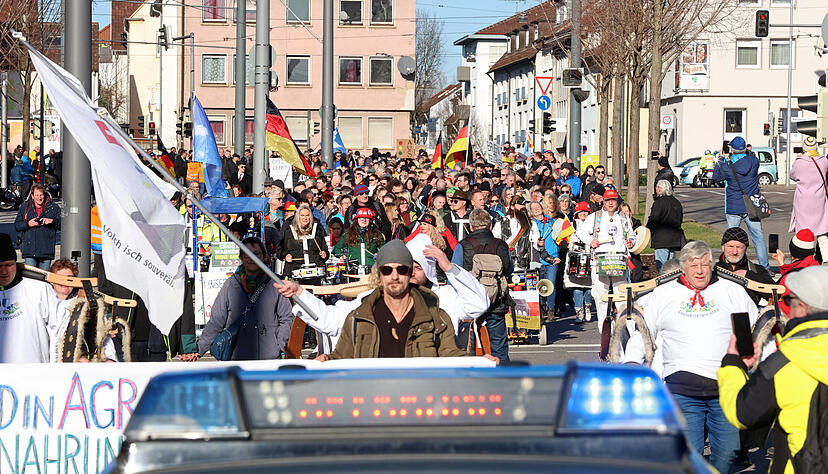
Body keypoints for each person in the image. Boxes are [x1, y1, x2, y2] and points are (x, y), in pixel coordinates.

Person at [634, 241, 758, 473]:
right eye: (694, 265)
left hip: (725, 388)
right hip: (682, 387)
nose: (700, 270)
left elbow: (754, 330)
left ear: (712, 265)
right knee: (689, 452)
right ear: (683, 268)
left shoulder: (732, 291)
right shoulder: (663, 294)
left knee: (730, 449)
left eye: (705, 264)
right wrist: (631, 362)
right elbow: (642, 333)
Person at [275, 235, 491, 355]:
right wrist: (299, 293)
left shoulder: (443, 301)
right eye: (390, 270)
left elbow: (478, 304)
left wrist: (450, 268)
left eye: (416, 268)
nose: (403, 275)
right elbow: (330, 320)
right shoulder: (370, 301)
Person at [718, 265, 828, 474]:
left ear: (802, 308)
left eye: (788, 300)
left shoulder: (783, 363)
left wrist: (733, 364)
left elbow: (742, 413)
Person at [319, 240, 469, 360]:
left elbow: (452, 356)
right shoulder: (358, 317)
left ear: (410, 273)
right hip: (375, 395)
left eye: (402, 269)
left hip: (419, 394)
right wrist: (325, 360)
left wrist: (482, 362)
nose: (395, 276)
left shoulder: (436, 317)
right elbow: (341, 358)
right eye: (387, 270)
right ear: (379, 275)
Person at [197, 237, 294, 360]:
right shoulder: (231, 284)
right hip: (237, 358)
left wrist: (280, 346)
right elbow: (216, 321)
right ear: (241, 257)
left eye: (256, 254)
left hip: (269, 359)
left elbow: (286, 318)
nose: (251, 258)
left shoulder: (276, 284)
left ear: (264, 257)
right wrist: (199, 349)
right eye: (247, 254)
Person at [452, 209, 513, 363]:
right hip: (496, 302)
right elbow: (509, 268)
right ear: (490, 225)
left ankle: (473, 383)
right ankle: (504, 381)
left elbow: (454, 273)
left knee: (470, 347)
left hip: (471, 304)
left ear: (471, 226)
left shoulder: (463, 246)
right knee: (499, 348)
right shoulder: (501, 245)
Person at [574, 188, 634, 336]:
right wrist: (591, 240)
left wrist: (631, 242)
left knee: (622, 298)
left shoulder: (623, 218)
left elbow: (632, 235)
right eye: (608, 200)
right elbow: (580, 232)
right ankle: (604, 333)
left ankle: (624, 331)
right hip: (600, 261)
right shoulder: (595, 217)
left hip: (619, 260)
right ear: (604, 202)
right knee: (601, 297)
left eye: (614, 200)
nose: (611, 203)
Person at [0, 233, 64, 363]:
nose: (4, 272)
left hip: (33, 373)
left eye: (9, 265)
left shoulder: (39, 289)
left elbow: (62, 325)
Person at [712, 136, 769, 270]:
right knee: (758, 238)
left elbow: (716, 177)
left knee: (731, 240)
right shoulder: (754, 161)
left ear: (732, 150)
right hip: (752, 205)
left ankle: (730, 266)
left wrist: (720, 160)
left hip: (733, 206)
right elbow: (750, 156)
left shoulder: (727, 166)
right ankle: (765, 268)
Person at [48, 258, 118, 363]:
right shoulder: (44, 303)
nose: (65, 282)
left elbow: (102, 335)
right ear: (52, 281)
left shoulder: (87, 304)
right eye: (60, 278)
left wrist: (110, 359)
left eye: (70, 278)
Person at [789, 136, 828, 263]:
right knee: (822, 232)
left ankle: (801, 259)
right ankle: (826, 260)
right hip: (819, 200)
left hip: (803, 201)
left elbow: (792, 176)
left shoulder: (799, 162)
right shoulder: (824, 161)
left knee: (802, 232)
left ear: (804, 148)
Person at [715, 227, 775, 306]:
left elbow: (776, 296)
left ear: (746, 248)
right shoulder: (713, 271)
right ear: (723, 247)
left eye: (739, 247)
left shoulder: (756, 270)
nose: (734, 252)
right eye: (730, 246)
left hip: (749, 316)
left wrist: (750, 276)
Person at [14, 183, 61, 270]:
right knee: (32, 280)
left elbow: (63, 225)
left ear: (45, 194)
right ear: (32, 196)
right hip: (30, 251)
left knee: (43, 281)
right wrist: (28, 224)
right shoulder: (25, 207)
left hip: (46, 251)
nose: (39, 198)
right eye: (37, 195)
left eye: (41, 195)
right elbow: (17, 226)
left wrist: (52, 221)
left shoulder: (54, 207)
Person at [280, 204, 328, 282]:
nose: (305, 218)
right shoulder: (289, 231)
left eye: (307, 215)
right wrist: (285, 255)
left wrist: (324, 254)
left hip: (315, 273)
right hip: (295, 271)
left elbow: (324, 249)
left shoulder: (317, 230)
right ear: (298, 217)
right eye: (302, 215)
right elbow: (280, 249)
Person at [565, 201, 594, 322]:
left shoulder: (592, 225)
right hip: (575, 257)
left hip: (589, 256)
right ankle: (579, 312)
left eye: (585, 212)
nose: (583, 214)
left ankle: (587, 306)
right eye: (581, 212)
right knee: (576, 286)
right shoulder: (572, 225)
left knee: (588, 286)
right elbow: (567, 238)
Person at [647, 179, 684, 272]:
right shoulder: (677, 202)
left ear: (660, 189)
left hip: (661, 239)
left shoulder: (659, 203)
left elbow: (653, 219)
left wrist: (647, 230)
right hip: (674, 239)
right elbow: (680, 220)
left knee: (662, 267)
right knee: (671, 267)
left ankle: (663, 284)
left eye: (657, 188)